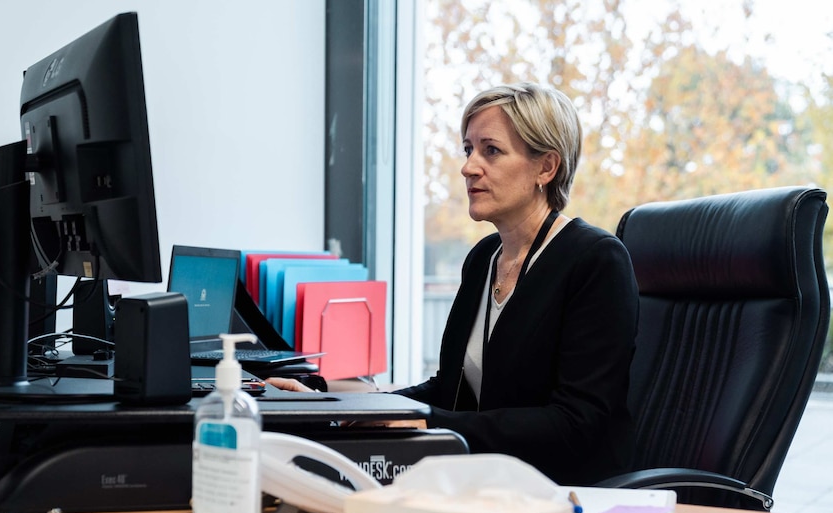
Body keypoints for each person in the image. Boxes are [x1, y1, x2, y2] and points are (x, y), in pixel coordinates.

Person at [269, 82, 639, 486]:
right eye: (468, 149)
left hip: (567, 495)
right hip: (486, 483)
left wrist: (422, 422)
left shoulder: (596, 260)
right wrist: (339, 406)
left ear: (545, 168)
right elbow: (450, 387)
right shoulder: (484, 259)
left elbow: (574, 425)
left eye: (491, 150)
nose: (469, 166)